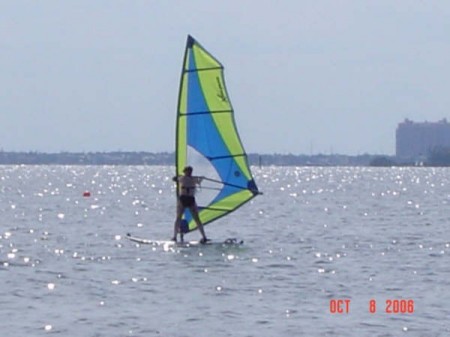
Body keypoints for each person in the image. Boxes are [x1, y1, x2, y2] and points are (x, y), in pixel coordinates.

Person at [172, 166, 209, 244]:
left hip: (191, 200)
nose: (189, 172)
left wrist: (201, 178)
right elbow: (174, 179)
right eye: (188, 171)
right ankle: (175, 237)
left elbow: (198, 181)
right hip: (183, 199)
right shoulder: (182, 178)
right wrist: (178, 176)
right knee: (178, 218)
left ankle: (204, 237)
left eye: (190, 171)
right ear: (185, 172)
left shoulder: (193, 179)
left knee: (197, 219)